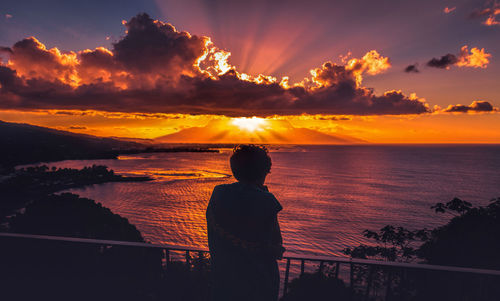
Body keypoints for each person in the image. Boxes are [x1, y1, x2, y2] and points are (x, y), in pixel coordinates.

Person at [206, 144, 285, 301]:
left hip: (223, 280)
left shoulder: (218, 193)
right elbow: (276, 246)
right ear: (265, 170)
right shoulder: (266, 200)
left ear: (234, 170)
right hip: (258, 284)